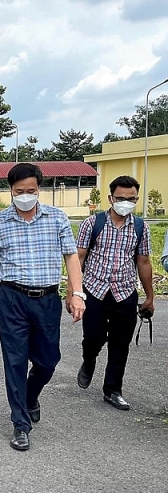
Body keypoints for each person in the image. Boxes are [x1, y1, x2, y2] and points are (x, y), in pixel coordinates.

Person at [0, 163, 85, 452]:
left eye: (31, 191)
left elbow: (71, 257)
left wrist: (77, 293)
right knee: (14, 361)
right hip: (12, 298)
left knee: (48, 361)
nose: (25, 195)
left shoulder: (57, 219)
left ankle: (30, 395)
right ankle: (20, 424)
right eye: (19, 191)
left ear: (40, 189)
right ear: (10, 191)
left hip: (47, 299)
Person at [72, 176, 153, 411]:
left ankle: (113, 390)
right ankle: (89, 361)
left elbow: (144, 262)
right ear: (111, 198)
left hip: (125, 292)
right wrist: (74, 291)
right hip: (94, 290)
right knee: (94, 337)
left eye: (131, 199)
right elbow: (78, 257)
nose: (125, 203)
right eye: (121, 198)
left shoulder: (140, 227)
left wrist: (149, 296)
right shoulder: (92, 223)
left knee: (120, 343)